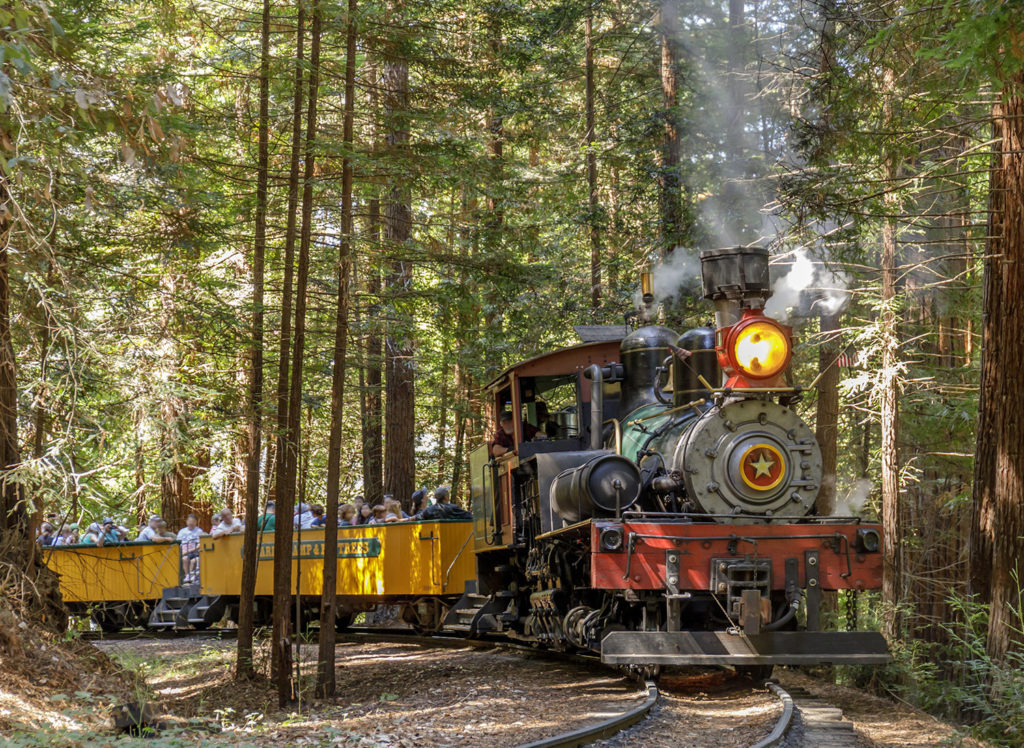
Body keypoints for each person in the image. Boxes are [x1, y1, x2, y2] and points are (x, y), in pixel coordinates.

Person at [176, 514, 204, 583]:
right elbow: (178, 542)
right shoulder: (182, 531)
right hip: (184, 552)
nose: (191, 523)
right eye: (189, 521)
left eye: (193, 521)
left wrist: (191, 550)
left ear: (196, 522)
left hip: (195, 552)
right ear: (186, 522)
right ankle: (187, 575)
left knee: (194, 560)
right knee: (185, 559)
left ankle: (192, 575)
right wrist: (183, 551)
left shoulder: (199, 531)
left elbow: (201, 544)